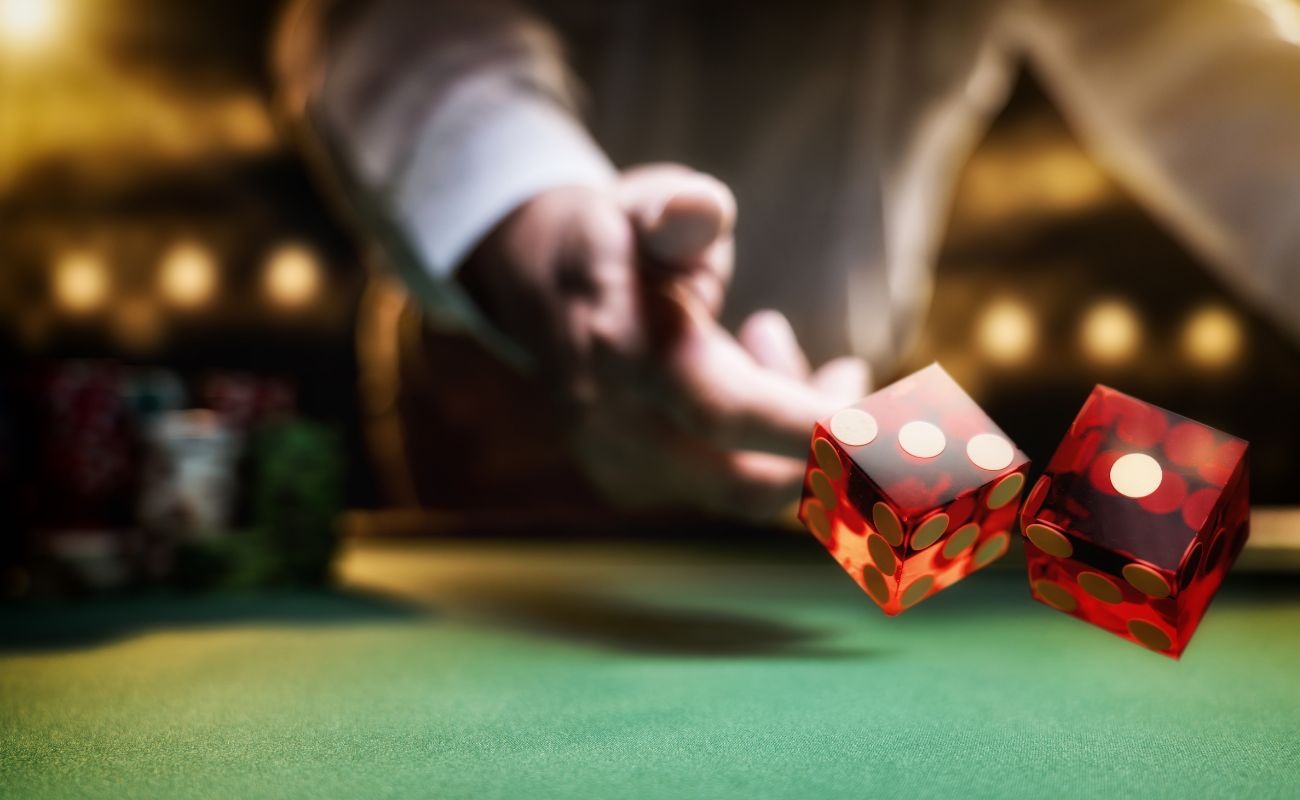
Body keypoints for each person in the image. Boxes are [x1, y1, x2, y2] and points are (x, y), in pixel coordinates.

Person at [275, 0, 1300, 520]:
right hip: (514, 386)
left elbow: (1231, 95)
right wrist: (531, 220)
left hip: (848, 417)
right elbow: (389, 18)